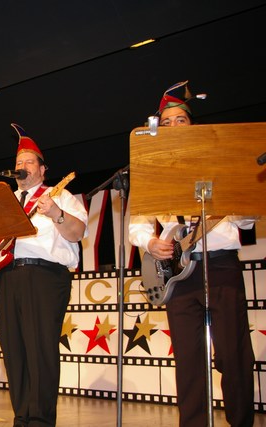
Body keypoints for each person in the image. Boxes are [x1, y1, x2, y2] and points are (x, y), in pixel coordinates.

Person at [128, 81, 255, 427]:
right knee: (188, 360)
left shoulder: (219, 162)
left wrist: (245, 198)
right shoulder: (153, 169)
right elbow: (136, 225)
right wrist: (151, 243)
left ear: (193, 125)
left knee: (233, 353)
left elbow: (245, 219)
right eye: (165, 122)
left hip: (220, 265)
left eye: (179, 120)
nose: (172, 127)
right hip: (178, 276)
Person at [0, 124, 88, 427]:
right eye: (18, 162)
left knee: (40, 350)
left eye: (28, 161)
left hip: (44, 277)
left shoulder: (60, 195)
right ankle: (22, 417)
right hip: (7, 277)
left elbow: (78, 232)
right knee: (13, 351)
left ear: (42, 169)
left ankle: (40, 420)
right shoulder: (4, 200)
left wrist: (56, 213)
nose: (22, 166)